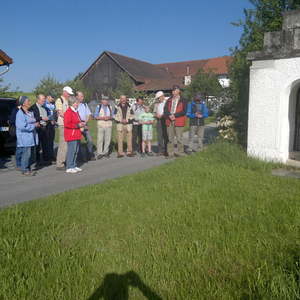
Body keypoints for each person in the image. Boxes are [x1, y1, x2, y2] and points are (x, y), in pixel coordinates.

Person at [15, 96, 39, 176]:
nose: (29, 102)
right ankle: (24, 170)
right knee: (26, 154)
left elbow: (32, 121)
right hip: (25, 138)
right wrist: (33, 126)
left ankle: (28, 168)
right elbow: (21, 126)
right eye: (28, 101)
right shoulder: (20, 114)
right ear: (23, 103)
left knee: (30, 155)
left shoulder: (29, 112)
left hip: (31, 137)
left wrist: (36, 124)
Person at [164, 85, 187, 158]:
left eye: (175, 90)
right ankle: (170, 153)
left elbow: (184, 111)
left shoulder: (183, 100)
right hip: (169, 120)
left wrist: (175, 115)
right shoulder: (169, 100)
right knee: (170, 138)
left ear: (179, 91)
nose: (173, 91)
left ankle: (181, 152)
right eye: (173, 90)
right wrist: (169, 115)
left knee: (179, 138)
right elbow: (165, 110)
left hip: (179, 120)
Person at [64, 96, 85, 173]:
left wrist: (81, 123)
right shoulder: (68, 112)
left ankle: (74, 165)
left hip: (77, 133)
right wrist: (77, 125)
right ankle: (69, 167)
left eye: (77, 102)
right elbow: (67, 124)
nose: (77, 104)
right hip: (71, 134)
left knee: (76, 150)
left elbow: (78, 120)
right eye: (76, 103)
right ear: (72, 103)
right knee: (71, 151)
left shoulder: (76, 111)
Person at [29, 94, 52, 166]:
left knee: (45, 144)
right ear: (38, 100)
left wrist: (49, 120)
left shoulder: (45, 108)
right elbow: (32, 118)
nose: (43, 101)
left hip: (45, 128)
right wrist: (41, 118)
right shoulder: (32, 108)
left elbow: (48, 116)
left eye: (44, 100)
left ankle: (46, 159)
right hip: (38, 128)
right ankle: (37, 160)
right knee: (37, 145)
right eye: (42, 100)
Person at [55, 86, 73, 170]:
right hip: (62, 124)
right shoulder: (59, 100)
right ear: (64, 92)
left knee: (66, 144)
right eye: (69, 93)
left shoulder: (66, 100)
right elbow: (60, 112)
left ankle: (63, 160)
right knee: (63, 144)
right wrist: (69, 118)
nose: (69, 95)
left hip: (67, 124)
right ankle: (60, 163)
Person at [76, 91, 96, 161]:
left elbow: (89, 115)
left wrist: (85, 122)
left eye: (83, 96)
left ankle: (89, 154)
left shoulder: (84, 104)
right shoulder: (74, 105)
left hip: (85, 124)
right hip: (77, 125)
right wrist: (80, 124)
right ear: (77, 97)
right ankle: (80, 157)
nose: (82, 97)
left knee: (90, 140)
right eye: (81, 96)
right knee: (78, 141)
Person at [153, 91, 168, 156]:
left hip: (165, 120)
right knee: (159, 136)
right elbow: (154, 113)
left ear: (162, 96)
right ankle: (160, 150)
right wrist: (156, 115)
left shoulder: (167, 103)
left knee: (166, 136)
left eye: (159, 98)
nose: (158, 99)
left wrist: (163, 115)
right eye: (158, 98)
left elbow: (169, 112)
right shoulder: (156, 104)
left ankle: (166, 150)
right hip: (159, 121)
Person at [44, 94, 56, 161]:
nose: (53, 99)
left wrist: (54, 120)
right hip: (46, 124)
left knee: (51, 141)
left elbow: (54, 114)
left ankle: (51, 155)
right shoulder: (44, 104)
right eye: (52, 97)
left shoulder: (53, 104)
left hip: (52, 124)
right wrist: (50, 119)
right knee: (46, 141)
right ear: (48, 97)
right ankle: (46, 156)